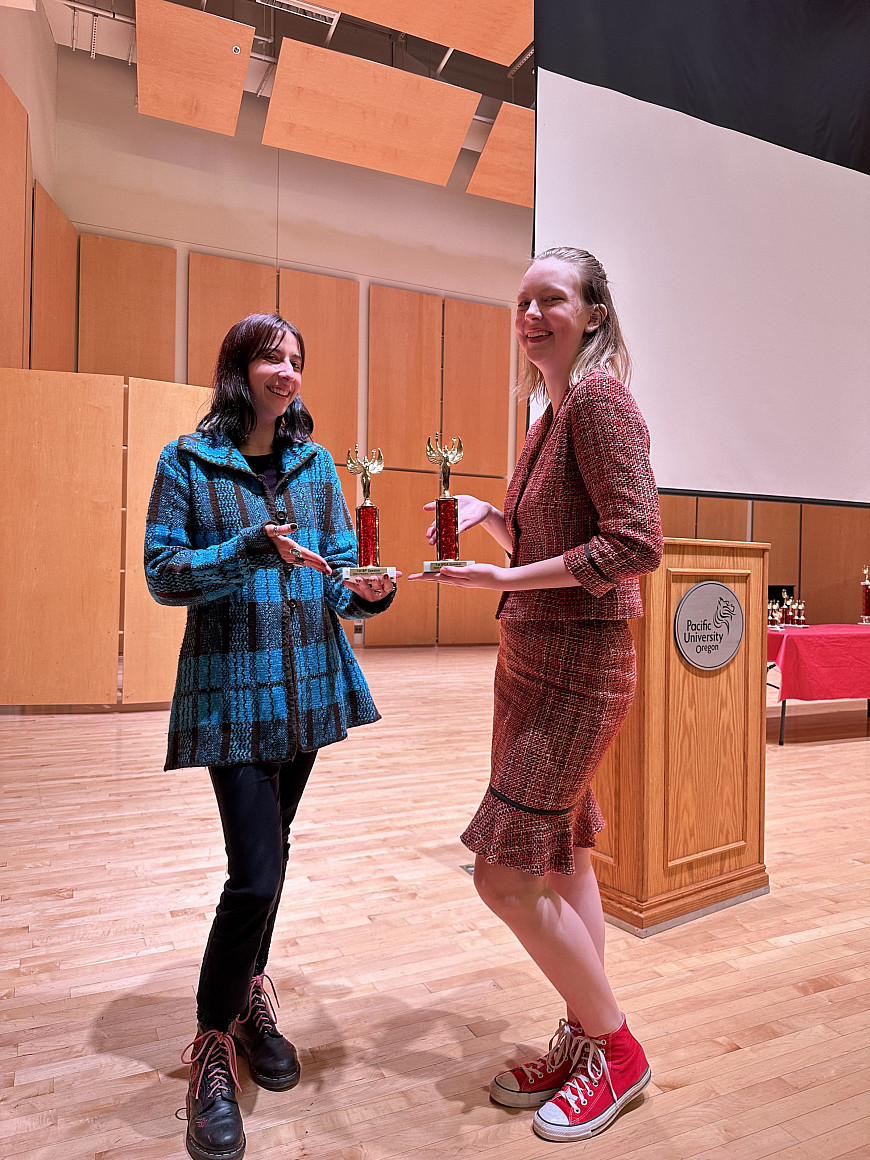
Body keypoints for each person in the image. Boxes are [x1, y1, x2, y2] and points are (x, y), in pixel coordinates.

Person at [411, 248, 663, 1142]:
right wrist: (500, 523)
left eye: (549, 298)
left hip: (577, 669)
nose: (529, 313)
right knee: (562, 860)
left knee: (503, 873)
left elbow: (634, 545)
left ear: (592, 312)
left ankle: (618, 1052)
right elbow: (565, 531)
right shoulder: (548, 412)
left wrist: (503, 578)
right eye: (520, 300)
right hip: (532, 661)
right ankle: (582, 1031)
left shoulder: (598, 400)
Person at [145, 312, 396, 1160]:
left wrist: (364, 590)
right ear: (238, 369)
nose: (285, 371)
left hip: (307, 692)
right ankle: (214, 1039)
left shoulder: (317, 466)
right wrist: (248, 550)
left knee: (274, 858)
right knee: (253, 874)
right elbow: (163, 574)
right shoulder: (186, 461)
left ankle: (251, 991)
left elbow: (330, 574)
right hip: (232, 695)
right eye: (269, 357)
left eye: (295, 358)